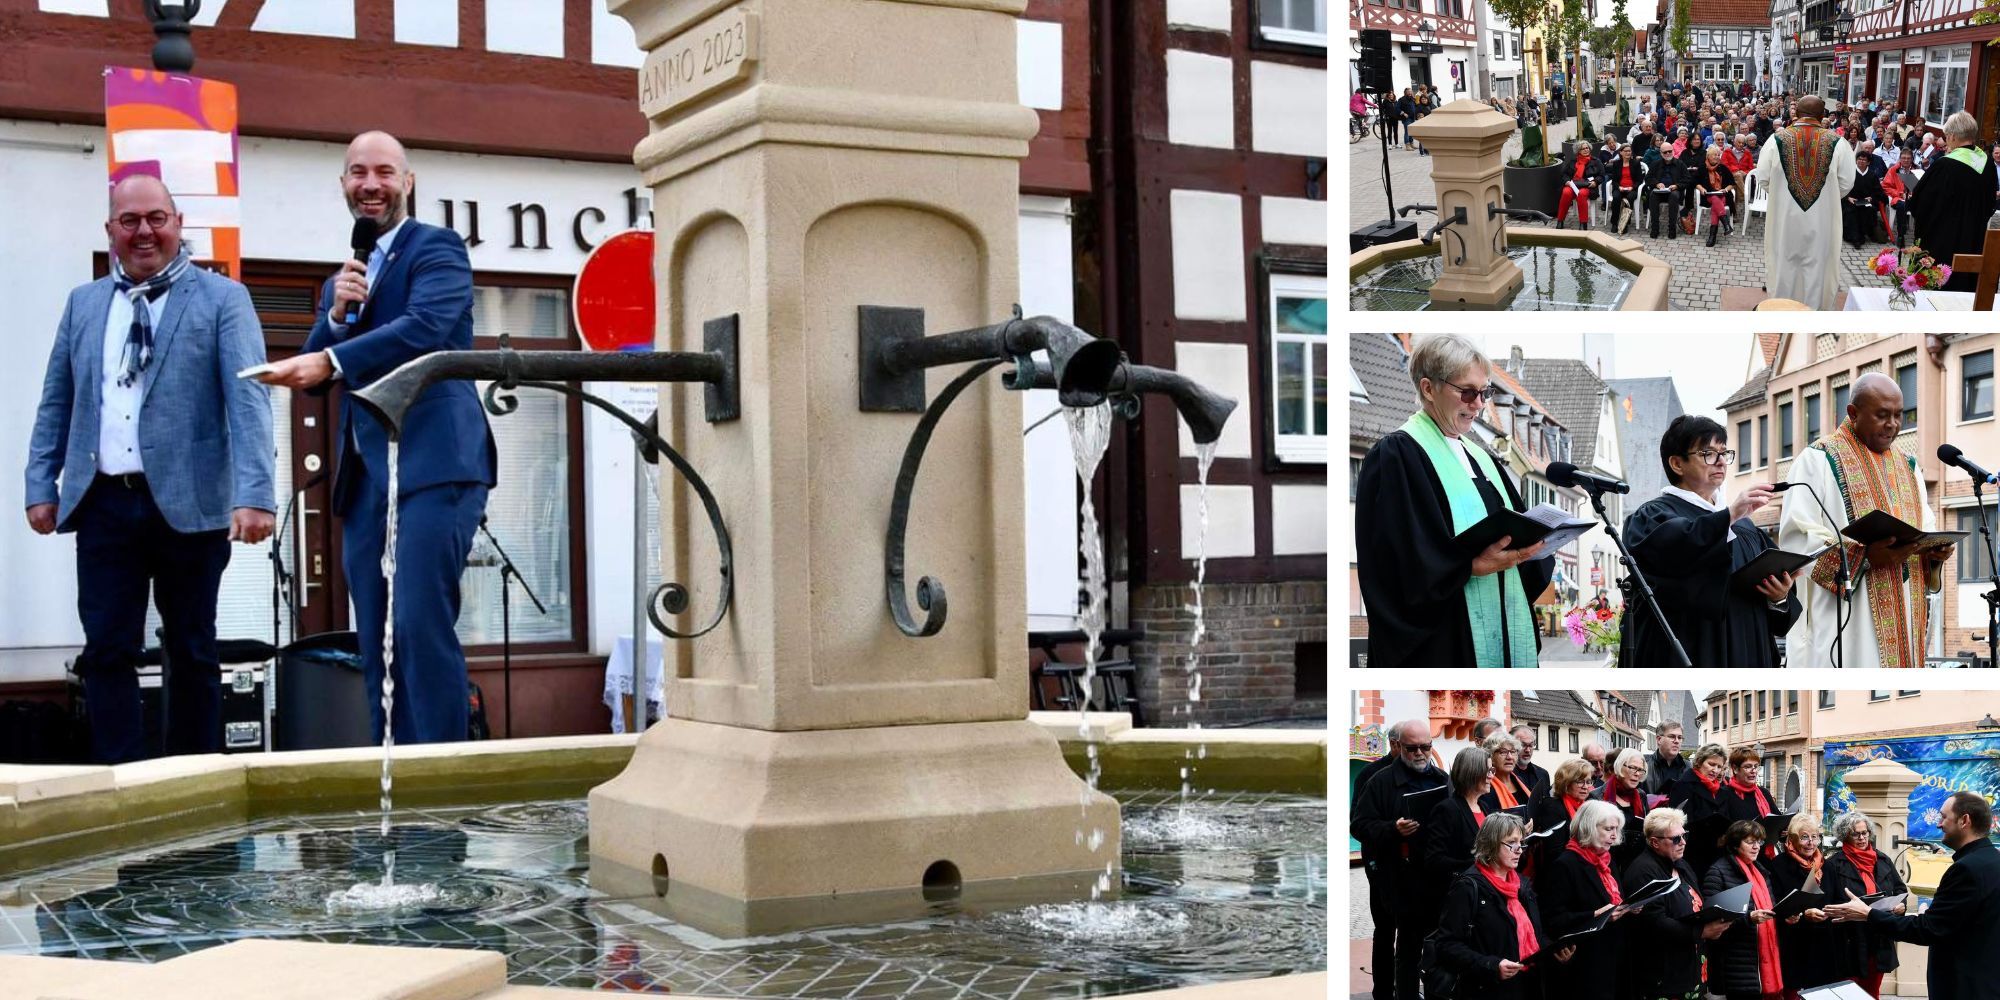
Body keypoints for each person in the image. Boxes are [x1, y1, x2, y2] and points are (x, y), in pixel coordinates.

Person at [254, 131, 497, 744]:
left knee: (419, 626)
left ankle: (439, 781)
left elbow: (426, 329)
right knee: (378, 640)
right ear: (343, 185)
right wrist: (334, 317)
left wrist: (333, 359)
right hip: (366, 479)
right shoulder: (352, 275)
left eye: (384, 172)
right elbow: (311, 378)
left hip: (435, 465)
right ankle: (389, 774)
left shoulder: (437, 249)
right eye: (358, 172)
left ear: (407, 182)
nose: (371, 184)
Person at [24, 175, 276, 764]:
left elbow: (249, 401)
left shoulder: (222, 299)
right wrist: (42, 482)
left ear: (178, 223)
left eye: (156, 218)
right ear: (110, 230)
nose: (145, 232)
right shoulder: (84, 304)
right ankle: (123, 782)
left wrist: (256, 494)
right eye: (130, 221)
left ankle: (190, 784)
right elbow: (57, 399)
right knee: (106, 648)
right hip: (104, 502)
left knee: (191, 647)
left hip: (191, 505)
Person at [1354, 335, 1555, 668]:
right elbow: (1393, 564)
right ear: (1429, 389)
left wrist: (1537, 545)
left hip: (1505, 627)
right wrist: (1469, 567)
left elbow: (1518, 528)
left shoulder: (1484, 459)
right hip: (1448, 641)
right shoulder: (1396, 457)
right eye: (1467, 392)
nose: (1478, 404)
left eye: (1484, 392)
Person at [1779, 372, 1946, 668]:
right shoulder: (1816, 460)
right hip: (1845, 624)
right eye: (1882, 415)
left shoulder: (1909, 467)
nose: (1893, 425)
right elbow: (1797, 540)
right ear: (1853, 413)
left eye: (1899, 415)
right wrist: (1865, 557)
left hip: (1906, 616)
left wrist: (1935, 553)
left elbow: (1926, 527)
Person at [1623, 415, 1801, 667]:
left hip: (1751, 649)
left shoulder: (1745, 526)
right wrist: (1728, 516)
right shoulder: (1653, 516)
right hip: (1695, 650)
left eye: (1723, 452)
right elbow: (1678, 551)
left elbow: (1777, 615)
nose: (1720, 461)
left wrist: (1779, 597)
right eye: (1708, 453)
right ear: (1677, 463)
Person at [1826, 791, 2000, 1000]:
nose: (1939, 824)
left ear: (1965, 821)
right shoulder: (1992, 860)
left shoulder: (1965, 869)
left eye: (1944, 817)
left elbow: (1928, 929)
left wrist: (1869, 914)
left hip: (1967, 987)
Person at [1352, 720, 1450, 1000]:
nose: (1420, 753)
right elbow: (1358, 825)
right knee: (1402, 944)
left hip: (1433, 876)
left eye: (1426, 747)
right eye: (1412, 748)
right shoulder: (1378, 780)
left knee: (1435, 945)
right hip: (1398, 877)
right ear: (1398, 746)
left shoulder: (1442, 779)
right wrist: (1392, 829)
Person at [1437, 814, 1576, 1000]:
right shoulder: (1468, 887)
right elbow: (1446, 945)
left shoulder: (1522, 885)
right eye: (1512, 843)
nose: (1519, 850)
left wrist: (1553, 950)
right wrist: (1492, 965)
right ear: (1491, 844)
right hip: (1488, 990)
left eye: (1521, 842)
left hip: (1528, 985)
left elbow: (1534, 934)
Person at [1753, 95, 1855, 308]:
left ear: (1796, 113)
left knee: (1784, 266)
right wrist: (1827, 198)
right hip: (1822, 221)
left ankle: (1781, 320)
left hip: (1784, 220)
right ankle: (1812, 325)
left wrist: (1782, 195)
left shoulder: (1775, 140)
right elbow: (1846, 184)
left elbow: (1762, 178)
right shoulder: (1839, 143)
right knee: (1818, 268)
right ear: (1822, 115)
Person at [1623, 807, 1732, 1000]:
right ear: (1655, 842)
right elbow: (1654, 922)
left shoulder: (1680, 863)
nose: (1683, 843)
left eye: (1684, 836)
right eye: (1675, 839)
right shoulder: (1642, 871)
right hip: (1664, 974)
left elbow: (1696, 901)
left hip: (1692, 966)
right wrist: (1701, 931)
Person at [1538, 800, 1631, 1000]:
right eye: (1608, 829)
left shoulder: (1607, 858)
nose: (1614, 835)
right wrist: (1594, 915)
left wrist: (1629, 907)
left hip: (1611, 954)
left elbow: (1615, 898)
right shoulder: (1565, 865)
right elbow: (1552, 918)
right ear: (1588, 827)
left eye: (1616, 829)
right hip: (1584, 960)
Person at [1820, 812, 1908, 999]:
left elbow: (1900, 890)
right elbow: (1825, 902)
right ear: (1845, 835)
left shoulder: (1882, 859)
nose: (1861, 838)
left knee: (1872, 992)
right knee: (1850, 993)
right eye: (1855, 834)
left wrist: (1902, 906)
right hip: (1848, 939)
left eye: (1865, 833)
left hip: (1879, 936)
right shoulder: (1833, 865)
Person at [1910, 111, 1999, 292]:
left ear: (1952, 136)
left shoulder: (1945, 166)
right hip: (1974, 241)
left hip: (1944, 243)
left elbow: (1922, 205)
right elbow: (1991, 203)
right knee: (1965, 288)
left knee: (1941, 289)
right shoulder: (1987, 162)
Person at [1703, 821, 1786, 1000]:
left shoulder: (1761, 872)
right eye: (1750, 842)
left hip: (1761, 964)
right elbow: (1712, 923)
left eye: (1759, 842)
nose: (1756, 847)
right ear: (1734, 843)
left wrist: (1787, 916)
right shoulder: (1717, 872)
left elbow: (1770, 910)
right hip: (1736, 967)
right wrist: (1749, 919)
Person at [1769, 814, 1838, 996]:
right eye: (1804, 837)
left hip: (1824, 942)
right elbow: (1775, 902)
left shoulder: (1827, 866)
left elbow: (1838, 899)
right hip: (1793, 942)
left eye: (1814, 837)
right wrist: (1803, 913)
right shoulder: (1778, 865)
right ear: (1792, 839)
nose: (1810, 843)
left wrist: (1829, 912)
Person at [1427, 748, 1496, 917]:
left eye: (1491, 770)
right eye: (1487, 771)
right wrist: (1478, 864)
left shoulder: (1484, 807)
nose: (1491, 776)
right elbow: (1434, 859)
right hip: (1462, 897)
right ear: (1472, 772)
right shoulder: (1447, 810)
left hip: (1486, 892)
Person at [1666, 743, 1732, 876]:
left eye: (1719, 766)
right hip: (1693, 855)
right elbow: (1677, 824)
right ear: (1699, 762)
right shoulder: (1683, 786)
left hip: (1717, 855)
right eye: (1711, 764)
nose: (1715, 770)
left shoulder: (1721, 791)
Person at [1528, 758, 1598, 877]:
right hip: (1562, 873)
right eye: (1580, 781)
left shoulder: (1591, 803)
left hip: (1588, 866)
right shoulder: (1553, 807)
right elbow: (1555, 853)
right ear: (1566, 783)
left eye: (1589, 781)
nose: (1586, 787)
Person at [1603, 749, 1653, 871]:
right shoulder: (1598, 796)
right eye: (1632, 768)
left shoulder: (1641, 795)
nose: (1637, 774)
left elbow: (1647, 828)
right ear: (1620, 767)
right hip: (1608, 862)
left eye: (1640, 770)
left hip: (1635, 863)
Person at [1718, 746, 1777, 826]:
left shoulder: (1764, 793)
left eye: (1756, 766)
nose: (1754, 771)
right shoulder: (1723, 794)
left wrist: (1784, 829)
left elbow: (1777, 818)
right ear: (1735, 769)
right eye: (1748, 767)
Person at [1480, 732, 1535, 813]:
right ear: (1490, 756)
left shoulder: (1520, 781)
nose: (1509, 757)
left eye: (1513, 752)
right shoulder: (1485, 787)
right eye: (1503, 752)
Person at [1555, 141, 1605, 229]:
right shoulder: (1573, 161)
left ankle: (1583, 223)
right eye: (1583, 149)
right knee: (1566, 192)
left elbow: (1601, 175)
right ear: (1578, 151)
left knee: (1581, 194)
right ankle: (1560, 220)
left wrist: (1595, 182)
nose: (1586, 150)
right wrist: (1566, 181)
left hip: (1588, 186)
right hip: (1573, 184)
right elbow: (1564, 174)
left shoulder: (1596, 161)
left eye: (1587, 148)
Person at [1843, 149, 1887, 247]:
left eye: (1864, 160)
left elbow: (1878, 192)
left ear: (1868, 162)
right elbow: (1842, 187)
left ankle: (1862, 235)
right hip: (1852, 200)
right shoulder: (1850, 173)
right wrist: (1848, 197)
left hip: (1867, 201)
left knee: (1868, 210)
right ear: (1856, 160)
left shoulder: (1872, 175)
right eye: (1859, 159)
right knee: (1851, 211)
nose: (1861, 161)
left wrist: (1871, 198)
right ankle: (1855, 238)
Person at [1607, 144, 1647, 235]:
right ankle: (1614, 222)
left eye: (1629, 151)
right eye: (1626, 151)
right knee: (1616, 198)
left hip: (1632, 188)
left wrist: (1632, 187)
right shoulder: (1616, 163)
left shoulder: (1636, 163)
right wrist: (1619, 187)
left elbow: (1639, 180)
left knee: (1629, 198)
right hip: (1619, 188)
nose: (1628, 153)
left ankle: (1624, 223)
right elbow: (1614, 180)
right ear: (1621, 152)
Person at [1645, 144, 1684, 239]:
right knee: (1653, 196)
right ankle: (1655, 228)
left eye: (1670, 151)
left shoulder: (1680, 164)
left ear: (1673, 151)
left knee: (1674, 197)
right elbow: (1648, 178)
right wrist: (1656, 184)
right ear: (1661, 153)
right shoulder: (1655, 164)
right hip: (1659, 191)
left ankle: (1672, 229)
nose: (1668, 153)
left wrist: (1676, 186)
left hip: (1673, 191)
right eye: (1665, 152)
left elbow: (1687, 179)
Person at [1883, 146, 1919, 247]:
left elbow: (1922, 186)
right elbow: (1885, 186)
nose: (1906, 160)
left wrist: (1913, 194)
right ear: (1900, 158)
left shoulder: (1917, 169)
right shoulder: (1894, 170)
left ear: (1912, 159)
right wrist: (1900, 194)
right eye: (1904, 158)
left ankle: (1920, 235)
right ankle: (1901, 235)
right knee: (1902, 206)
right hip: (1898, 198)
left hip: (1913, 199)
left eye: (1908, 158)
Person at [1640, 723, 1690, 796]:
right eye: (1672, 737)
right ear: (1659, 739)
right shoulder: (1643, 765)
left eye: (1679, 737)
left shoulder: (1689, 767)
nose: (1677, 741)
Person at [1512, 724, 1551, 797]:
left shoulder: (1543, 774)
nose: (1528, 750)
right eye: (1523, 745)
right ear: (1511, 745)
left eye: (1530, 745)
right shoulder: (1505, 775)